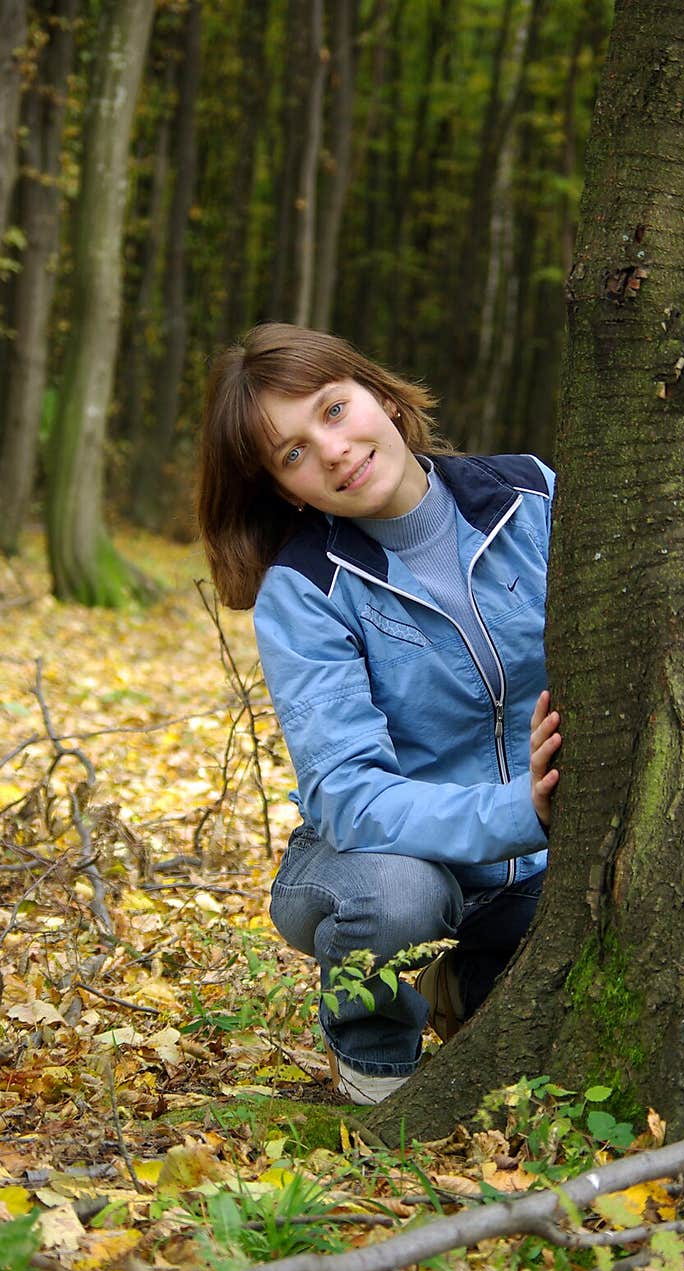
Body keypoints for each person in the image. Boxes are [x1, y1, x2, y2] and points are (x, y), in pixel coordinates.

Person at [196, 322, 561, 1104]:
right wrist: (518, 808)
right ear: (286, 491)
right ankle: (377, 1079)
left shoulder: (532, 496)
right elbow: (351, 796)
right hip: (366, 865)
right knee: (402, 896)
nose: (330, 450)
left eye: (332, 410)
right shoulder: (305, 589)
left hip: (535, 872)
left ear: (381, 396)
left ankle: (454, 979)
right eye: (292, 453)